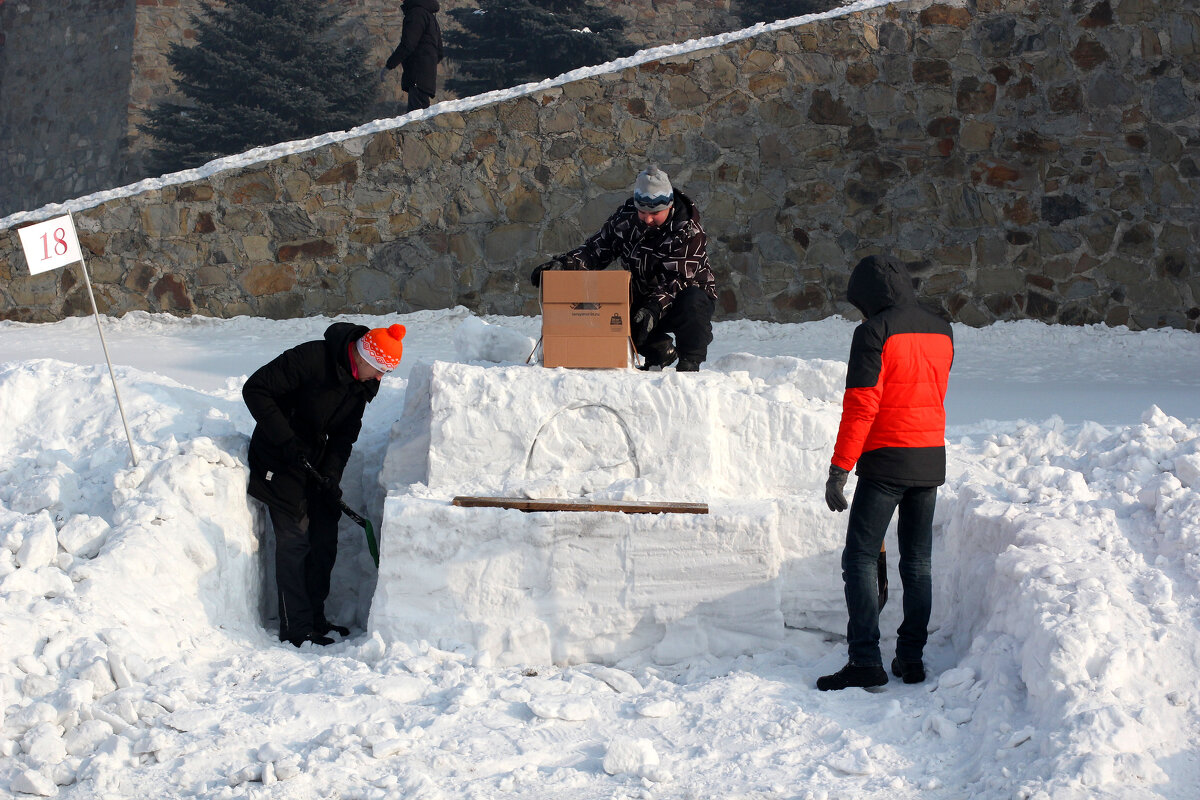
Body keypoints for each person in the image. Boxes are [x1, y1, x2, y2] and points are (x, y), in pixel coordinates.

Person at [817, 255, 953, 691]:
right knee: (917, 563)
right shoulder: (943, 330)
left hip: (886, 462)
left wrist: (840, 468)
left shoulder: (873, 332)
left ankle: (865, 661)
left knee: (858, 558)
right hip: (929, 458)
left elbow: (862, 405)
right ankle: (910, 660)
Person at [243, 322, 406, 647]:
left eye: (385, 373)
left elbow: (345, 435)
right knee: (295, 540)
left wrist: (331, 474)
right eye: (379, 369)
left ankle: (315, 619)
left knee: (324, 538)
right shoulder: (312, 359)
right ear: (362, 356)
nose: (380, 379)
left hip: (313, 463)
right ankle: (296, 628)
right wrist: (286, 440)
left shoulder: (361, 385)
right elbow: (255, 389)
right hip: (278, 458)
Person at [530, 166, 718, 371]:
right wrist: (562, 266)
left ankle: (689, 362)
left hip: (681, 296)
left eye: (654, 213)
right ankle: (660, 351)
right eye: (642, 211)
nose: (647, 219)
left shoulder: (688, 231)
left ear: (669, 206)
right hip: (643, 294)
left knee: (693, 301)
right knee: (613, 315)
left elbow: (679, 280)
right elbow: (597, 249)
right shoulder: (626, 218)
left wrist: (654, 308)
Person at [382, 0, 444, 113]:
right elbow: (439, 51)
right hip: (425, 75)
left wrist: (389, 65)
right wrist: (428, 64)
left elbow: (408, 44)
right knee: (420, 114)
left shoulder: (416, 14)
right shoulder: (429, 16)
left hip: (417, 73)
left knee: (416, 118)